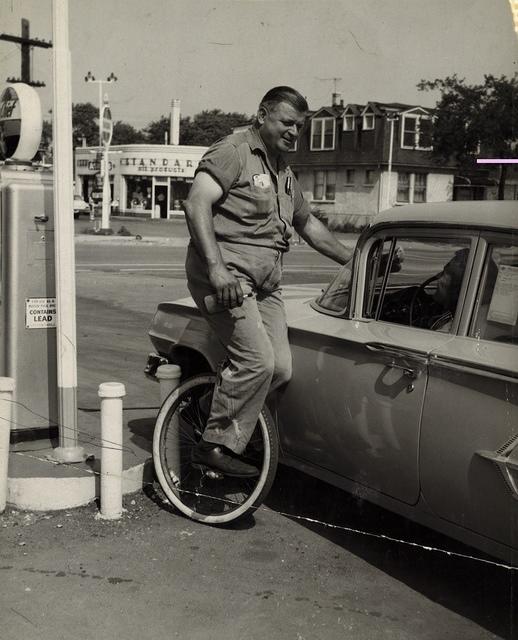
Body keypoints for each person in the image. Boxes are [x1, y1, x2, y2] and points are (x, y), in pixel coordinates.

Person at [184, 86, 352, 477]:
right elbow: (197, 203)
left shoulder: (284, 171)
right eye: (287, 123)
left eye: (301, 127)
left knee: (279, 368)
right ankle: (213, 446)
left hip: (265, 284)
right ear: (262, 115)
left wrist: (358, 260)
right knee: (257, 362)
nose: (295, 133)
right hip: (227, 277)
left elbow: (308, 224)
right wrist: (217, 269)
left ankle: (204, 411)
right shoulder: (234, 151)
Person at [380, 248, 470, 330]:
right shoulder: (413, 294)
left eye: (448, 274)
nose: (441, 278)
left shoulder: (448, 322)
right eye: (445, 271)